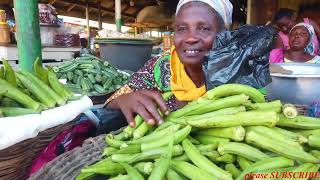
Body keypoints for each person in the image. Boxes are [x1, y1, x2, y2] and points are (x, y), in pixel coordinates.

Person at [105, 0, 233, 127]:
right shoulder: (161, 66)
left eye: (204, 28)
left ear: (226, 33)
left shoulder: (240, 70)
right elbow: (113, 102)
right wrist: (125, 100)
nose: (190, 38)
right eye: (182, 29)